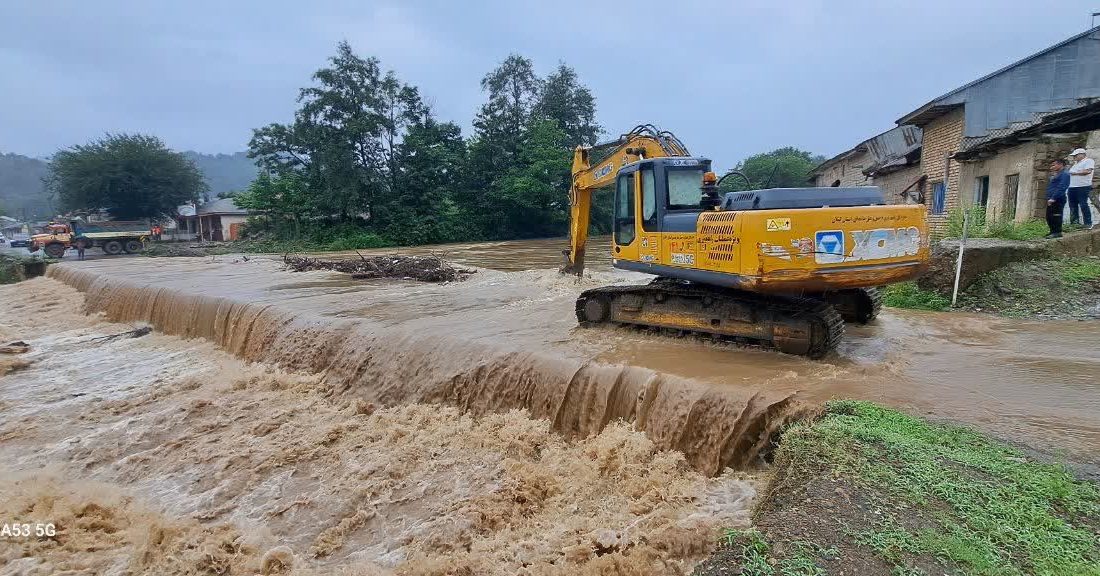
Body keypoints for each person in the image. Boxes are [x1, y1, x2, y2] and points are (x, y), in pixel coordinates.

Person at [1067, 148, 1095, 229]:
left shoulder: (1088, 161)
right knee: (1072, 205)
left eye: (1075, 155)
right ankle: (1074, 223)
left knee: (1083, 204)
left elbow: (1087, 171)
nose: (1074, 157)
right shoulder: (1075, 163)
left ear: (1082, 154)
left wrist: (1074, 173)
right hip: (1072, 186)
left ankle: (1088, 223)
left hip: (1083, 186)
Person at [1045, 159, 1070, 238]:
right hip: (1051, 198)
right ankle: (1052, 231)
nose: (1052, 167)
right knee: (1049, 216)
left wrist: (1053, 198)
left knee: (1056, 215)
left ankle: (1057, 232)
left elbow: (1062, 187)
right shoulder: (1057, 174)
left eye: (1054, 165)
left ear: (1061, 165)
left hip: (1058, 198)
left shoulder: (1065, 174)